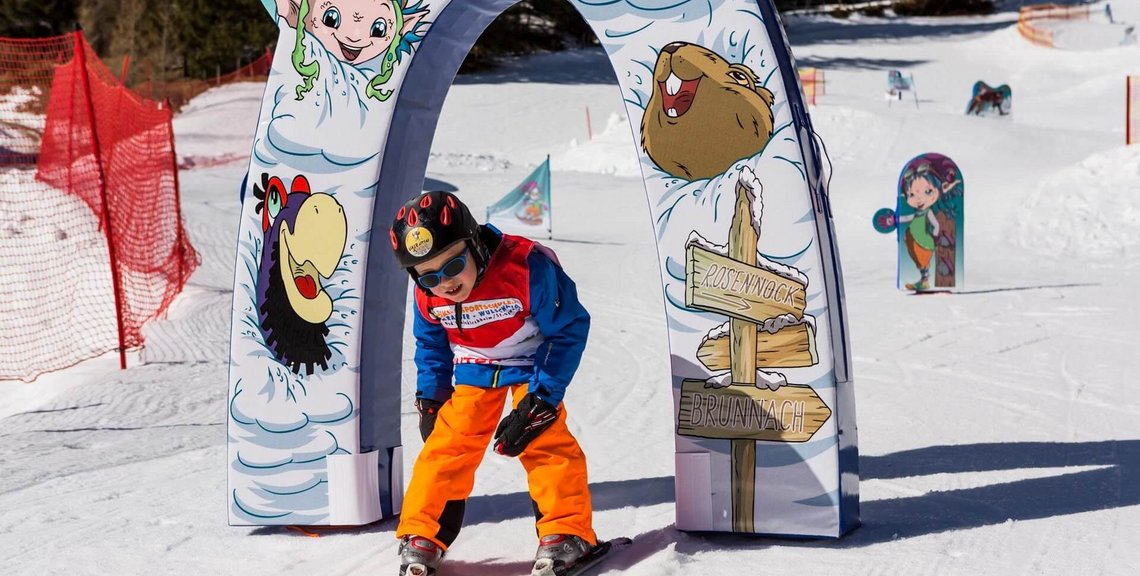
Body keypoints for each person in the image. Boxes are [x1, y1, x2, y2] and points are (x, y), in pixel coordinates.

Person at [390, 191, 596, 576]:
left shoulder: (526, 267)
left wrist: (543, 398)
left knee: (543, 439)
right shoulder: (427, 296)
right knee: (448, 445)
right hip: (476, 366)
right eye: (429, 276)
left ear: (475, 244)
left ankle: (567, 529)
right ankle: (422, 532)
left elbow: (569, 327)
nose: (445, 283)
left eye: (453, 266)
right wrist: (431, 398)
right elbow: (431, 345)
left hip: (532, 362)